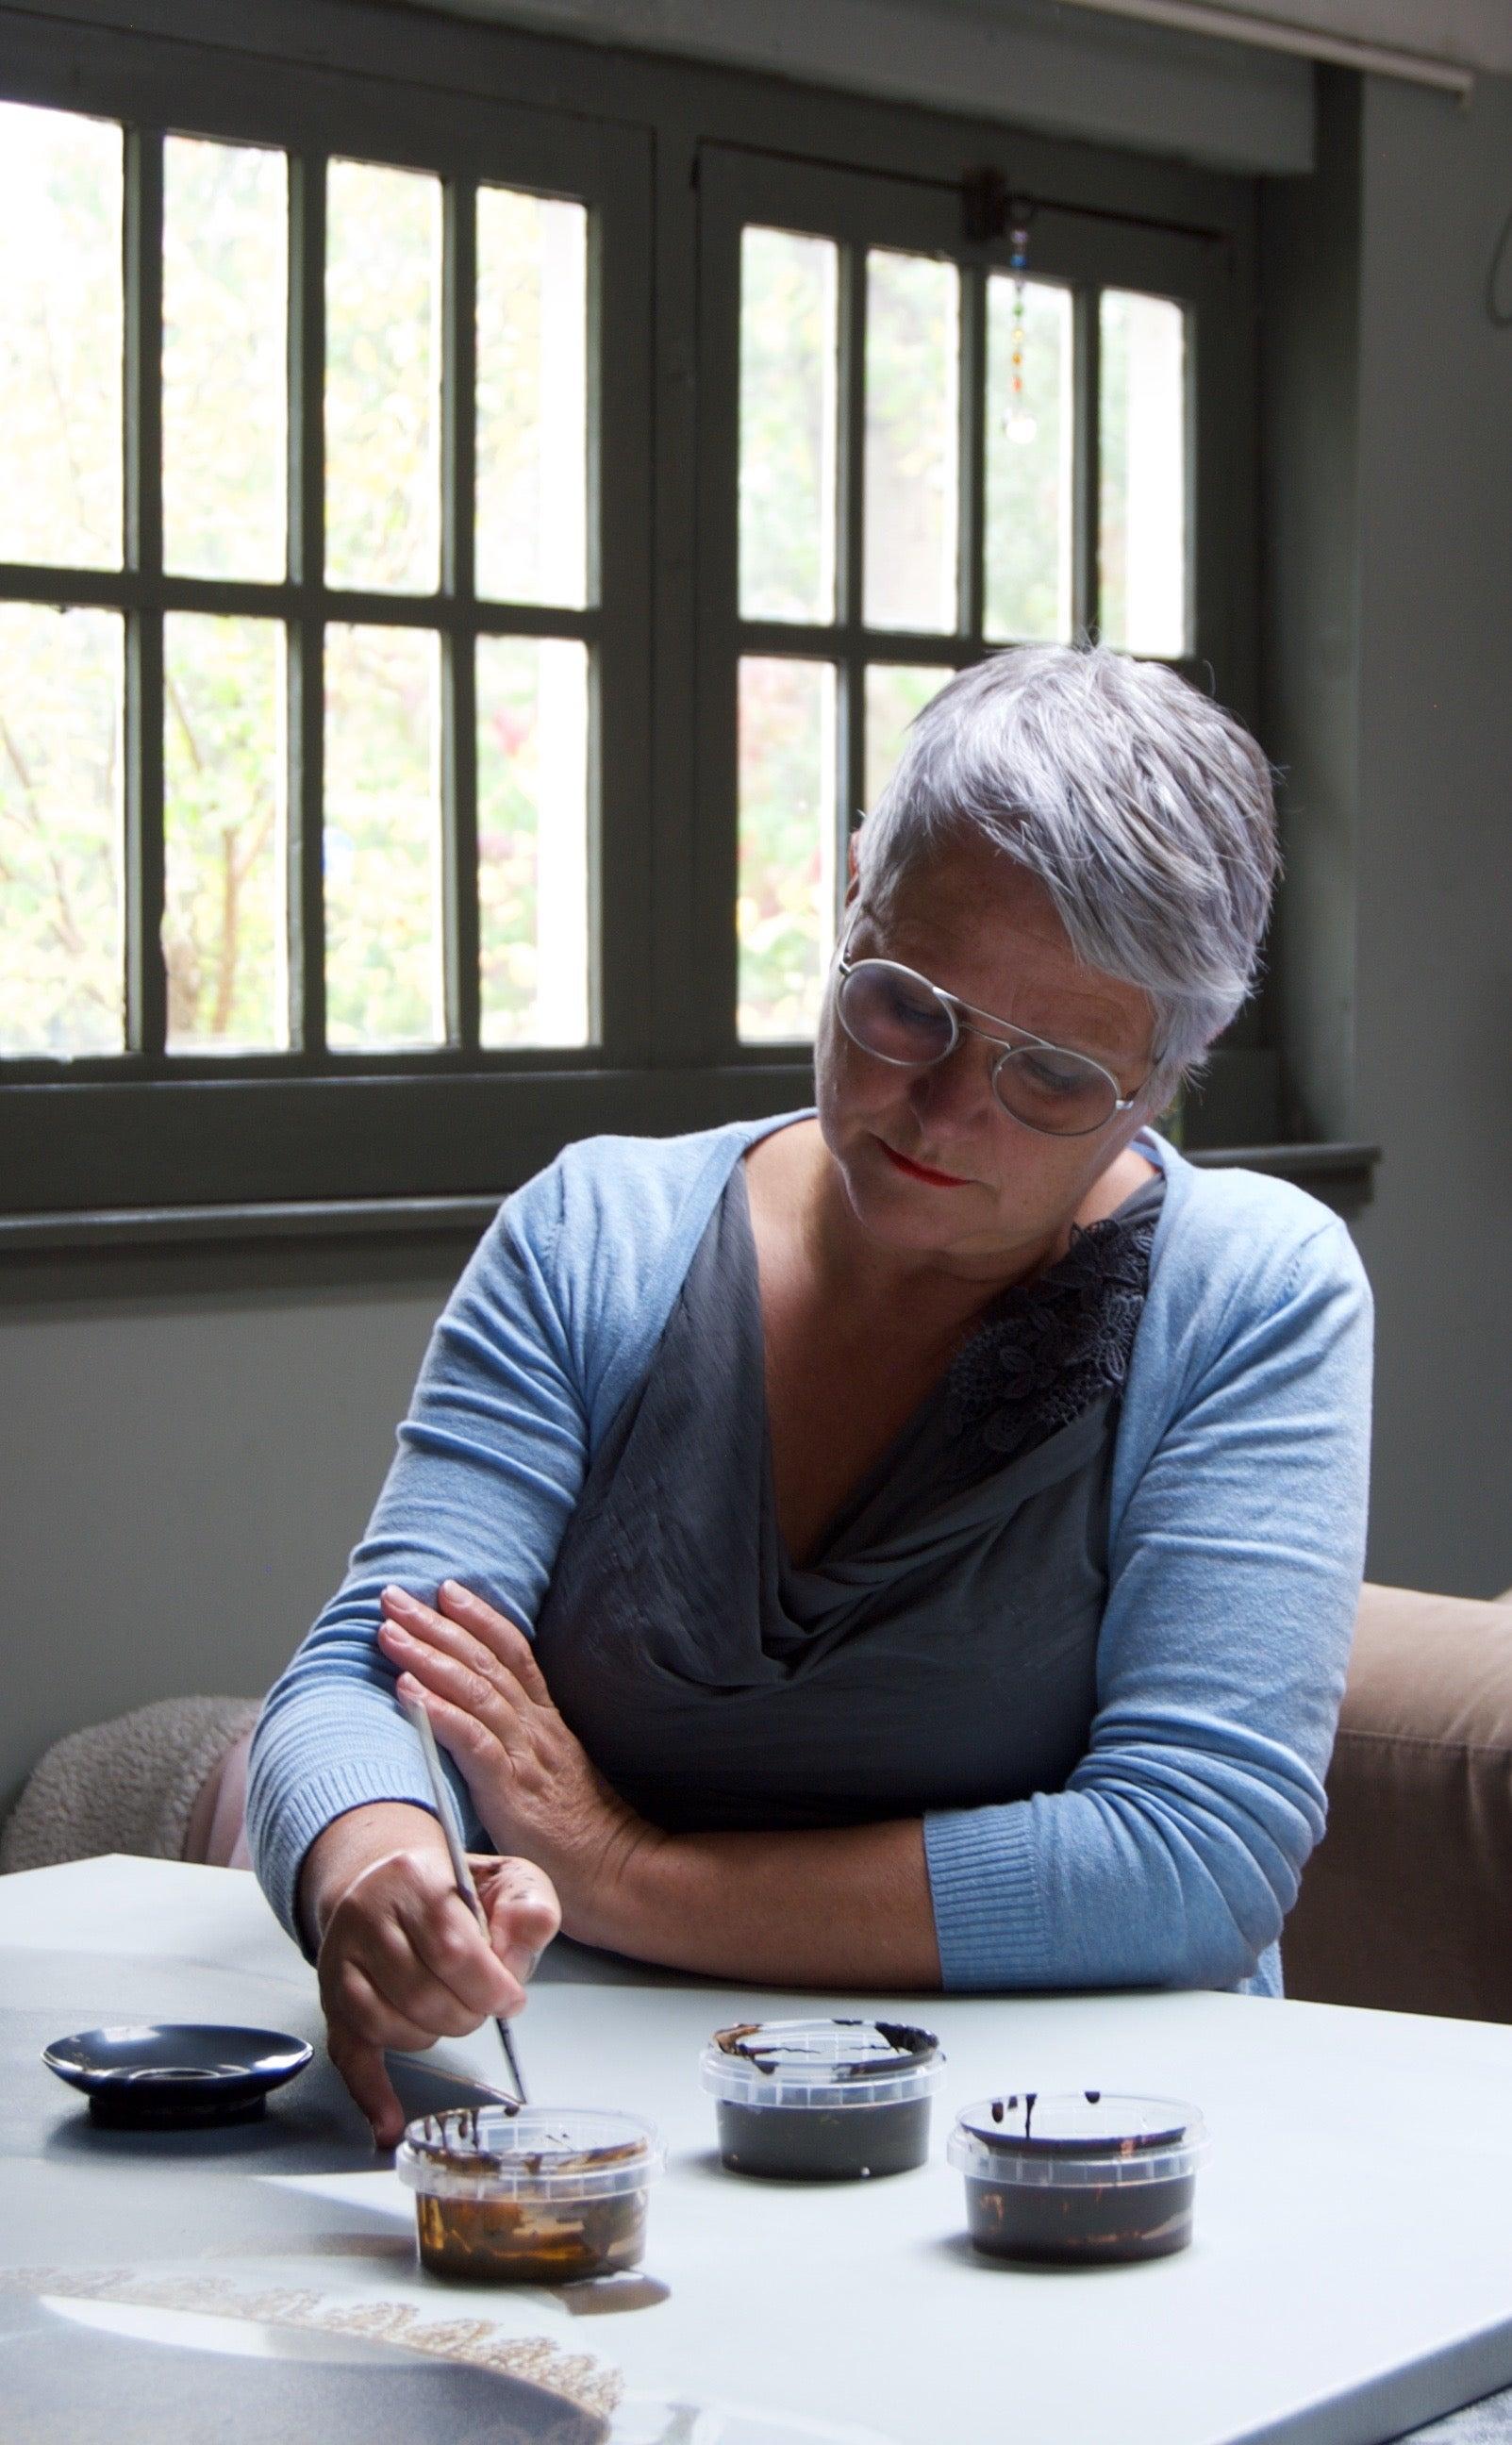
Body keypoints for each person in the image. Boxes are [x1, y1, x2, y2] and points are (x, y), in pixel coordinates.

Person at [248, 642, 1372, 2144]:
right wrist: (381, 1877)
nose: (947, 1103)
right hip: (598, 2117)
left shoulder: (1254, 1292)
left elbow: (1187, 1863)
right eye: (907, 1003)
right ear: (853, 891)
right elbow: (370, 1675)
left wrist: (626, 1875)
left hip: (1064, 2156)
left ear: (1171, 1069)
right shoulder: (601, 1234)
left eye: (1051, 1078)